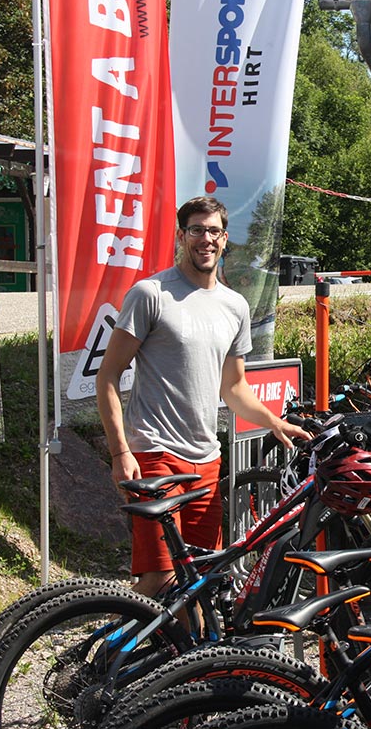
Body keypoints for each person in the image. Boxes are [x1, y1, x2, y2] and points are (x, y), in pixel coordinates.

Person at [96, 195, 310, 598]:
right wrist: (120, 452)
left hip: (207, 462)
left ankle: (184, 661)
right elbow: (108, 376)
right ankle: (111, 660)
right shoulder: (150, 294)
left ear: (225, 239)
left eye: (213, 231)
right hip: (155, 453)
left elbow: (234, 387)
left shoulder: (235, 306)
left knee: (199, 582)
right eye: (196, 229)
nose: (205, 239)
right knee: (160, 579)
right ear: (182, 236)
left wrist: (276, 422)